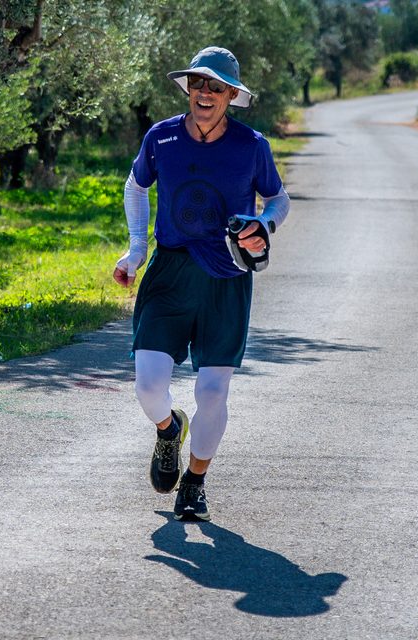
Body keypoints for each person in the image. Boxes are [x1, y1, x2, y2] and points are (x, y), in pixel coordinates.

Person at [113, 46, 290, 521]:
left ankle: (194, 482)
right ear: (188, 90)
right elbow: (136, 186)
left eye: (215, 86)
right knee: (149, 388)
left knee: (212, 392)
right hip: (169, 272)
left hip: (226, 278)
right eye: (197, 84)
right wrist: (136, 249)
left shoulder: (251, 146)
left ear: (232, 95)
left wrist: (264, 226)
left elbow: (277, 198)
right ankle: (169, 430)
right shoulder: (161, 137)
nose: (204, 93)